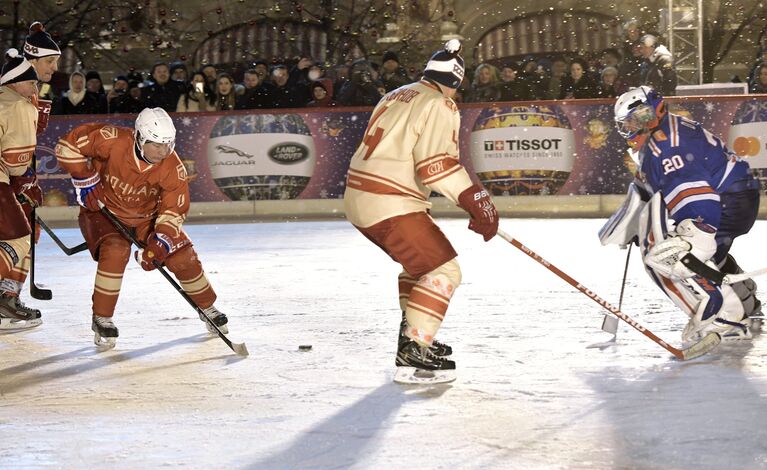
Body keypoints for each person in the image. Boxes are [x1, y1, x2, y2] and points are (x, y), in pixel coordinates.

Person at [343, 40, 499, 383]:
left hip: (361, 199)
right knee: (445, 271)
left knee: (419, 268)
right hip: (389, 202)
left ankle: (413, 333)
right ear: (456, 82)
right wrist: (475, 199)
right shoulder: (440, 103)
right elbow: (435, 166)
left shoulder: (396, 94)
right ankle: (415, 344)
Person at [53, 108, 229, 348]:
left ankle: (208, 307)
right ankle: (102, 318)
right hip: (104, 212)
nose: (164, 151)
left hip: (147, 218)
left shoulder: (173, 167)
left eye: (168, 144)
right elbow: (67, 146)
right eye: (156, 144)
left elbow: (173, 210)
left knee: (182, 257)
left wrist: (161, 243)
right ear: (139, 137)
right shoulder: (112, 139)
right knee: (116, 251)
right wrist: (83, 177)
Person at [607, 86, 760, 342]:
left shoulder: (668, 148)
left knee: (671, 257)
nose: (630, 129)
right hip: (737, 196)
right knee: (709, 256)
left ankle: (724, 316)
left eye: (634, 120)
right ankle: (745, 302)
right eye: (625, 124)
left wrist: (694, 240)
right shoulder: (664, 133)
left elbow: (695, 195)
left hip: (727, 201)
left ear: (650, 115)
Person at [0, 21, 60, 323]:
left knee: (25, 232)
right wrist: (25, 178)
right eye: (50, 61)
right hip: (7, 174)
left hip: (10, 174)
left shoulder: (23, 87)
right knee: (18, 236)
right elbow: (14, 154)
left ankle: (8, 294)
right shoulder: (19, 95)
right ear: (33, 60)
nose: (54, 68)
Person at [0, 50, 43, 329]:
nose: (35, 89)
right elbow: (17, 160)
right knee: (19, 239)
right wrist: (25, 179)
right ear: (16, 81)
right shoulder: (19, 107)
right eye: (32, 83)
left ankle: (6, 302)